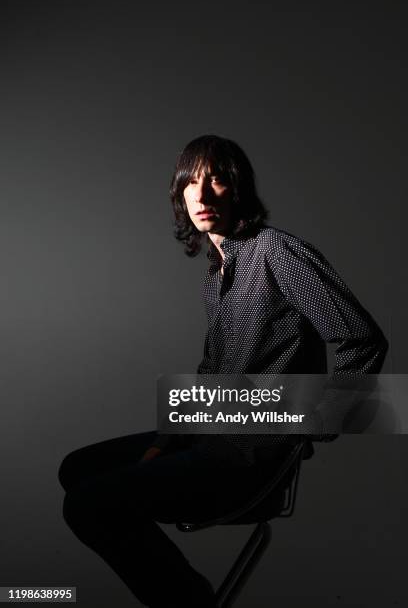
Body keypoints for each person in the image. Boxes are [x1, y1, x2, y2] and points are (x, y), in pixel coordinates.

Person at [58, 135, 388, 607]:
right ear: (180, 196)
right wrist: (162, 444)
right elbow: (210, 377)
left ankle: (191, 603)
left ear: (238, 190)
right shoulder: (217, 280)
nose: (203, 194)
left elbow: (362, 337)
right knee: (77, 470)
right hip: (209, 436)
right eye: (191, 183)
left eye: (216, 179)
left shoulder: (276, 252)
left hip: (247, 461)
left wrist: (311, 423)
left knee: (87, 504)